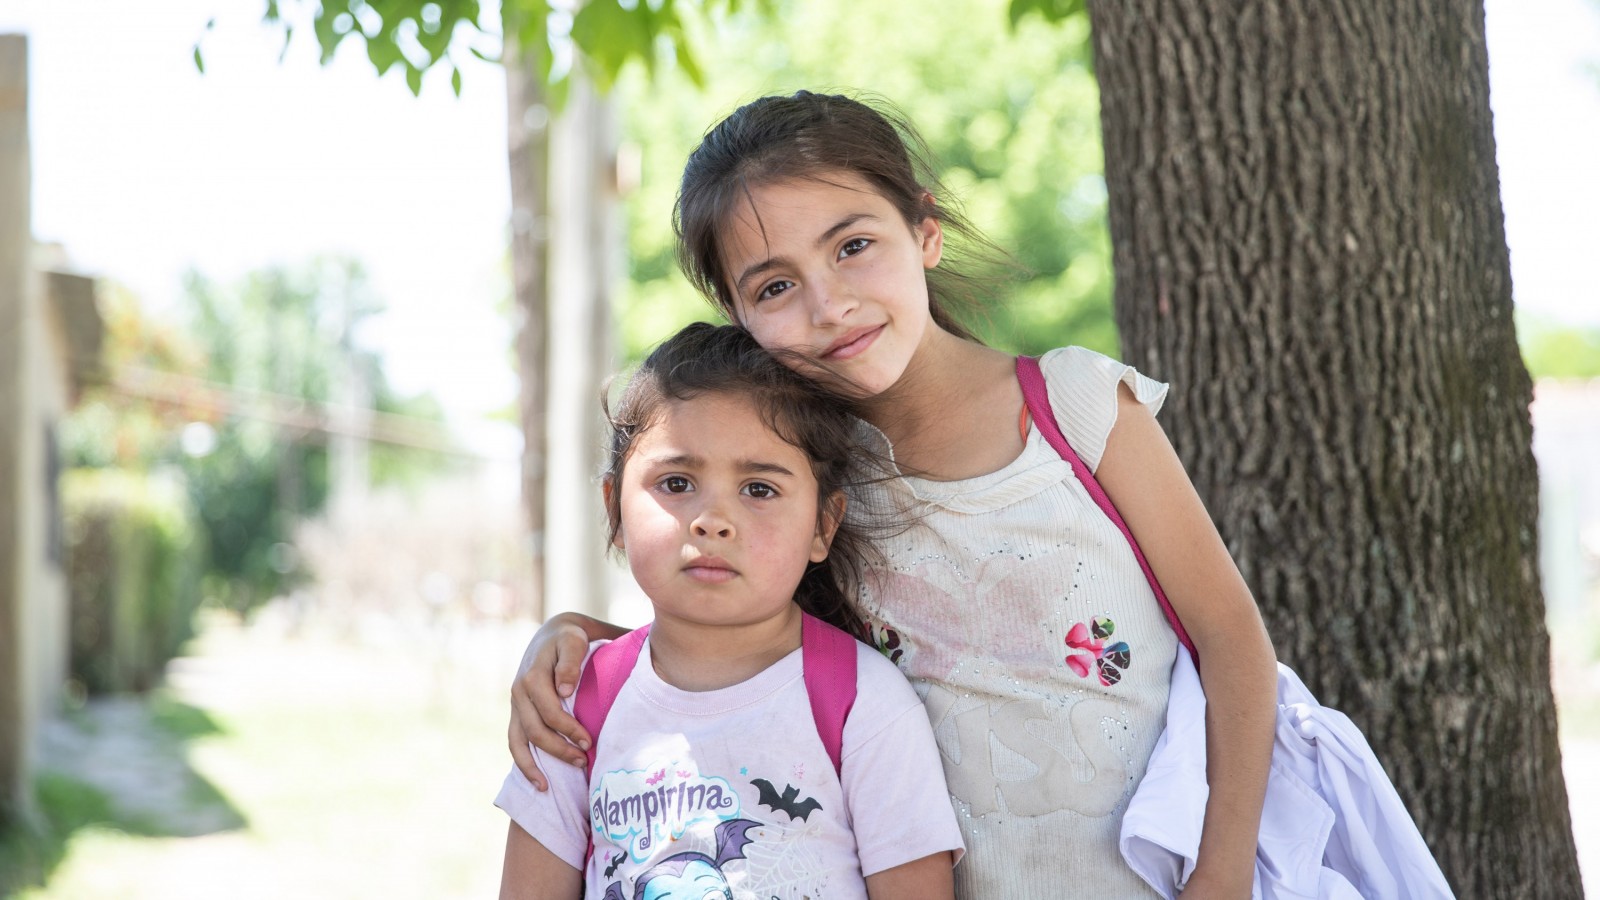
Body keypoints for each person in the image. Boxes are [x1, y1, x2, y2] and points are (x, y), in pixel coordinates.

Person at [509, 91, 1279, 898]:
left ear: (926, 230)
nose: (828, 304)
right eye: (775, 288)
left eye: (853, 246)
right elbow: (734, 628)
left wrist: (1220, 877)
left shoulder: (1072, 409)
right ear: (738, 317)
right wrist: (574, 637)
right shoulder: (809, 489)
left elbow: (1230, 635)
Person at [496, 322, 964, 900]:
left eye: (759, 489)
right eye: (675, 482)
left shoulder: (863, 705)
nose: (712, 519)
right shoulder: (572, 704)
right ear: (614, 508)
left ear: (823, 524)